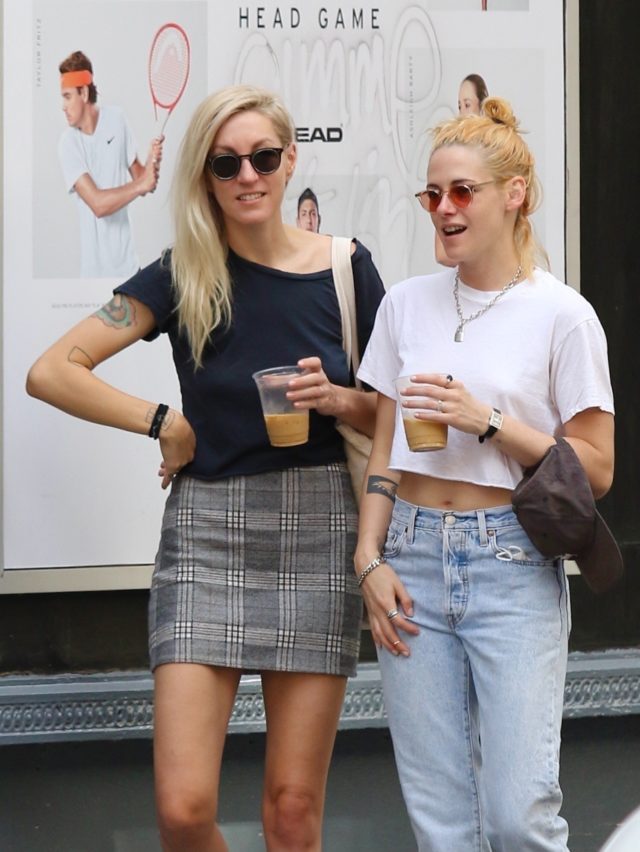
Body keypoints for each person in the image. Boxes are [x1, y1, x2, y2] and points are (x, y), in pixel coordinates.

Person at [27, 84, 384, 851]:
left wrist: (339, 400)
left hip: (320, 527)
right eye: (226, 163)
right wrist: (163, 421)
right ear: (205, 176)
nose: (247, 175)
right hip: (206, 532)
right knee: (184, 811)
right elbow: (52, 370)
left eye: (262, 157)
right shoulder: (182, 274)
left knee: (294, 812)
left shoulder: (346, 268)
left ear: (290, 161)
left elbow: (394, 418)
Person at [354, 97, 615, 851]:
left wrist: (489, 421)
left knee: (517, 816)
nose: (444, 209)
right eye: (433, 194)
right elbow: (384, 445)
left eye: (462, 191)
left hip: (511, 560)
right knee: (442, 823)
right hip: (410, 558)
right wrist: (369, 556)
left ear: (514, 194)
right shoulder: (404, 306)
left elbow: (597, 467)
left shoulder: (562, 315)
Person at [58, 51, 164, 278]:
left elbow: (143, 181)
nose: (63, 106)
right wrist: (142, 184)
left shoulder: (117, 119)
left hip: (130, 270)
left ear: (83, 93)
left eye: (67, 97)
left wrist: (151, 161)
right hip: (94, 276)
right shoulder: (68, 143)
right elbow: (98, 205)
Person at [436, 72, 489, 267]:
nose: (462, 114)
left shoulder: (496, 157)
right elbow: (442, 254)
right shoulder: (452, 158)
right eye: (459, 106)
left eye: (467, 105)